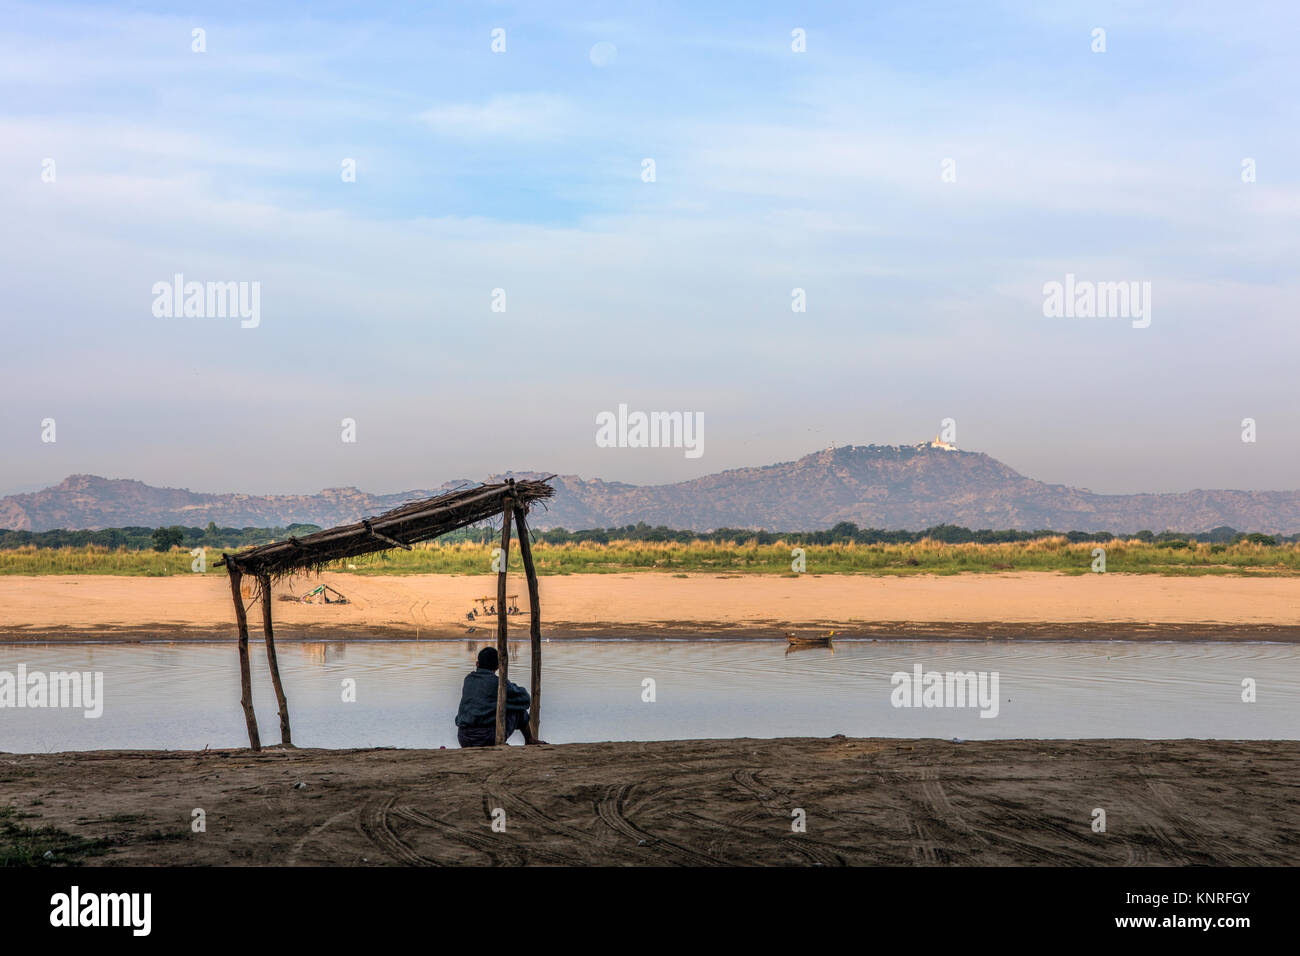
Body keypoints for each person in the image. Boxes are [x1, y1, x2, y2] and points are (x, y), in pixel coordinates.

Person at [455, 647, 544, 747]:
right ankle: (529, 739)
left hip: (463, 738)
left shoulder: (468, 679)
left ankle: (529, 739)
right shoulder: (498, 683)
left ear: (477, 664)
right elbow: (525, 699)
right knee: (520, 711)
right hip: (487, 737)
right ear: (498, 667)